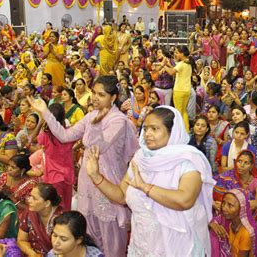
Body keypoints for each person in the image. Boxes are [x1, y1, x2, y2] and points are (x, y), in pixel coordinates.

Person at [27, 75, 139, 257]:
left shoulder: (118, 120)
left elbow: (99, 146)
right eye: (94, 93)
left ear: (113, 97)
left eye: (101, 95)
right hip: (88, 179)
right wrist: (45, 112)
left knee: (111, 237)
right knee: (89, 232)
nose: (94, 98)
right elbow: (64, 136)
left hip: (107, 179)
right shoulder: (91, 115)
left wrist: (96, 121)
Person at [85, 106, 215, 256]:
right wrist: (96, 176)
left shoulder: (188, 161)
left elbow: (185, 200)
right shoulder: (141, 158)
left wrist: (145, 187)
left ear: (172, 132)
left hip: (176, 245)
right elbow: (121, 195)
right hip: (143, 244)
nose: (148, 134)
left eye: (154, 129)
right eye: (145, 129)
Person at [209, 189, 257, 257]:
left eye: (230, 205)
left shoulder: (246, 233)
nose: (224, 208)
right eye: (223, 203)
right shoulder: (224, 221)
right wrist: (211, 224)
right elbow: (210, 223)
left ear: (241, 209)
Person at [17, 183, 63, 256]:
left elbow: (64, 250)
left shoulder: (62, 219)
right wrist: (31, 253)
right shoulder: (29, 212)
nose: (29, 200)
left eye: (34, 198)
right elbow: (21, 240)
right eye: (30, 196)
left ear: (47, 203)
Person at [163, 46, 193, 131]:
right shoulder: (188, 63)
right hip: (187, 90)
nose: (176, 54)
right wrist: (169, 64)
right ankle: (186, 129)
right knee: (183, 111)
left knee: (178, 112)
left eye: (177, 53)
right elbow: (176, 69)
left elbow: (171, 72)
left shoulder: (181, 64)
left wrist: (164, 66)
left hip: (179, 90)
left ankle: (179, 130)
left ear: (182, 54)